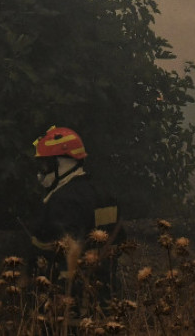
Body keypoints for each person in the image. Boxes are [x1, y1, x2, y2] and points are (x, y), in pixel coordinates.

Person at [27, 126, 122, 297]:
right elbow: (119, 241)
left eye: (46, 165)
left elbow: (50, 254)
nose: (41, 172)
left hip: (68, 299)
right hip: (106, 295)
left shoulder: (61, 201)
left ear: (62, 164)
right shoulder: (105, 195)